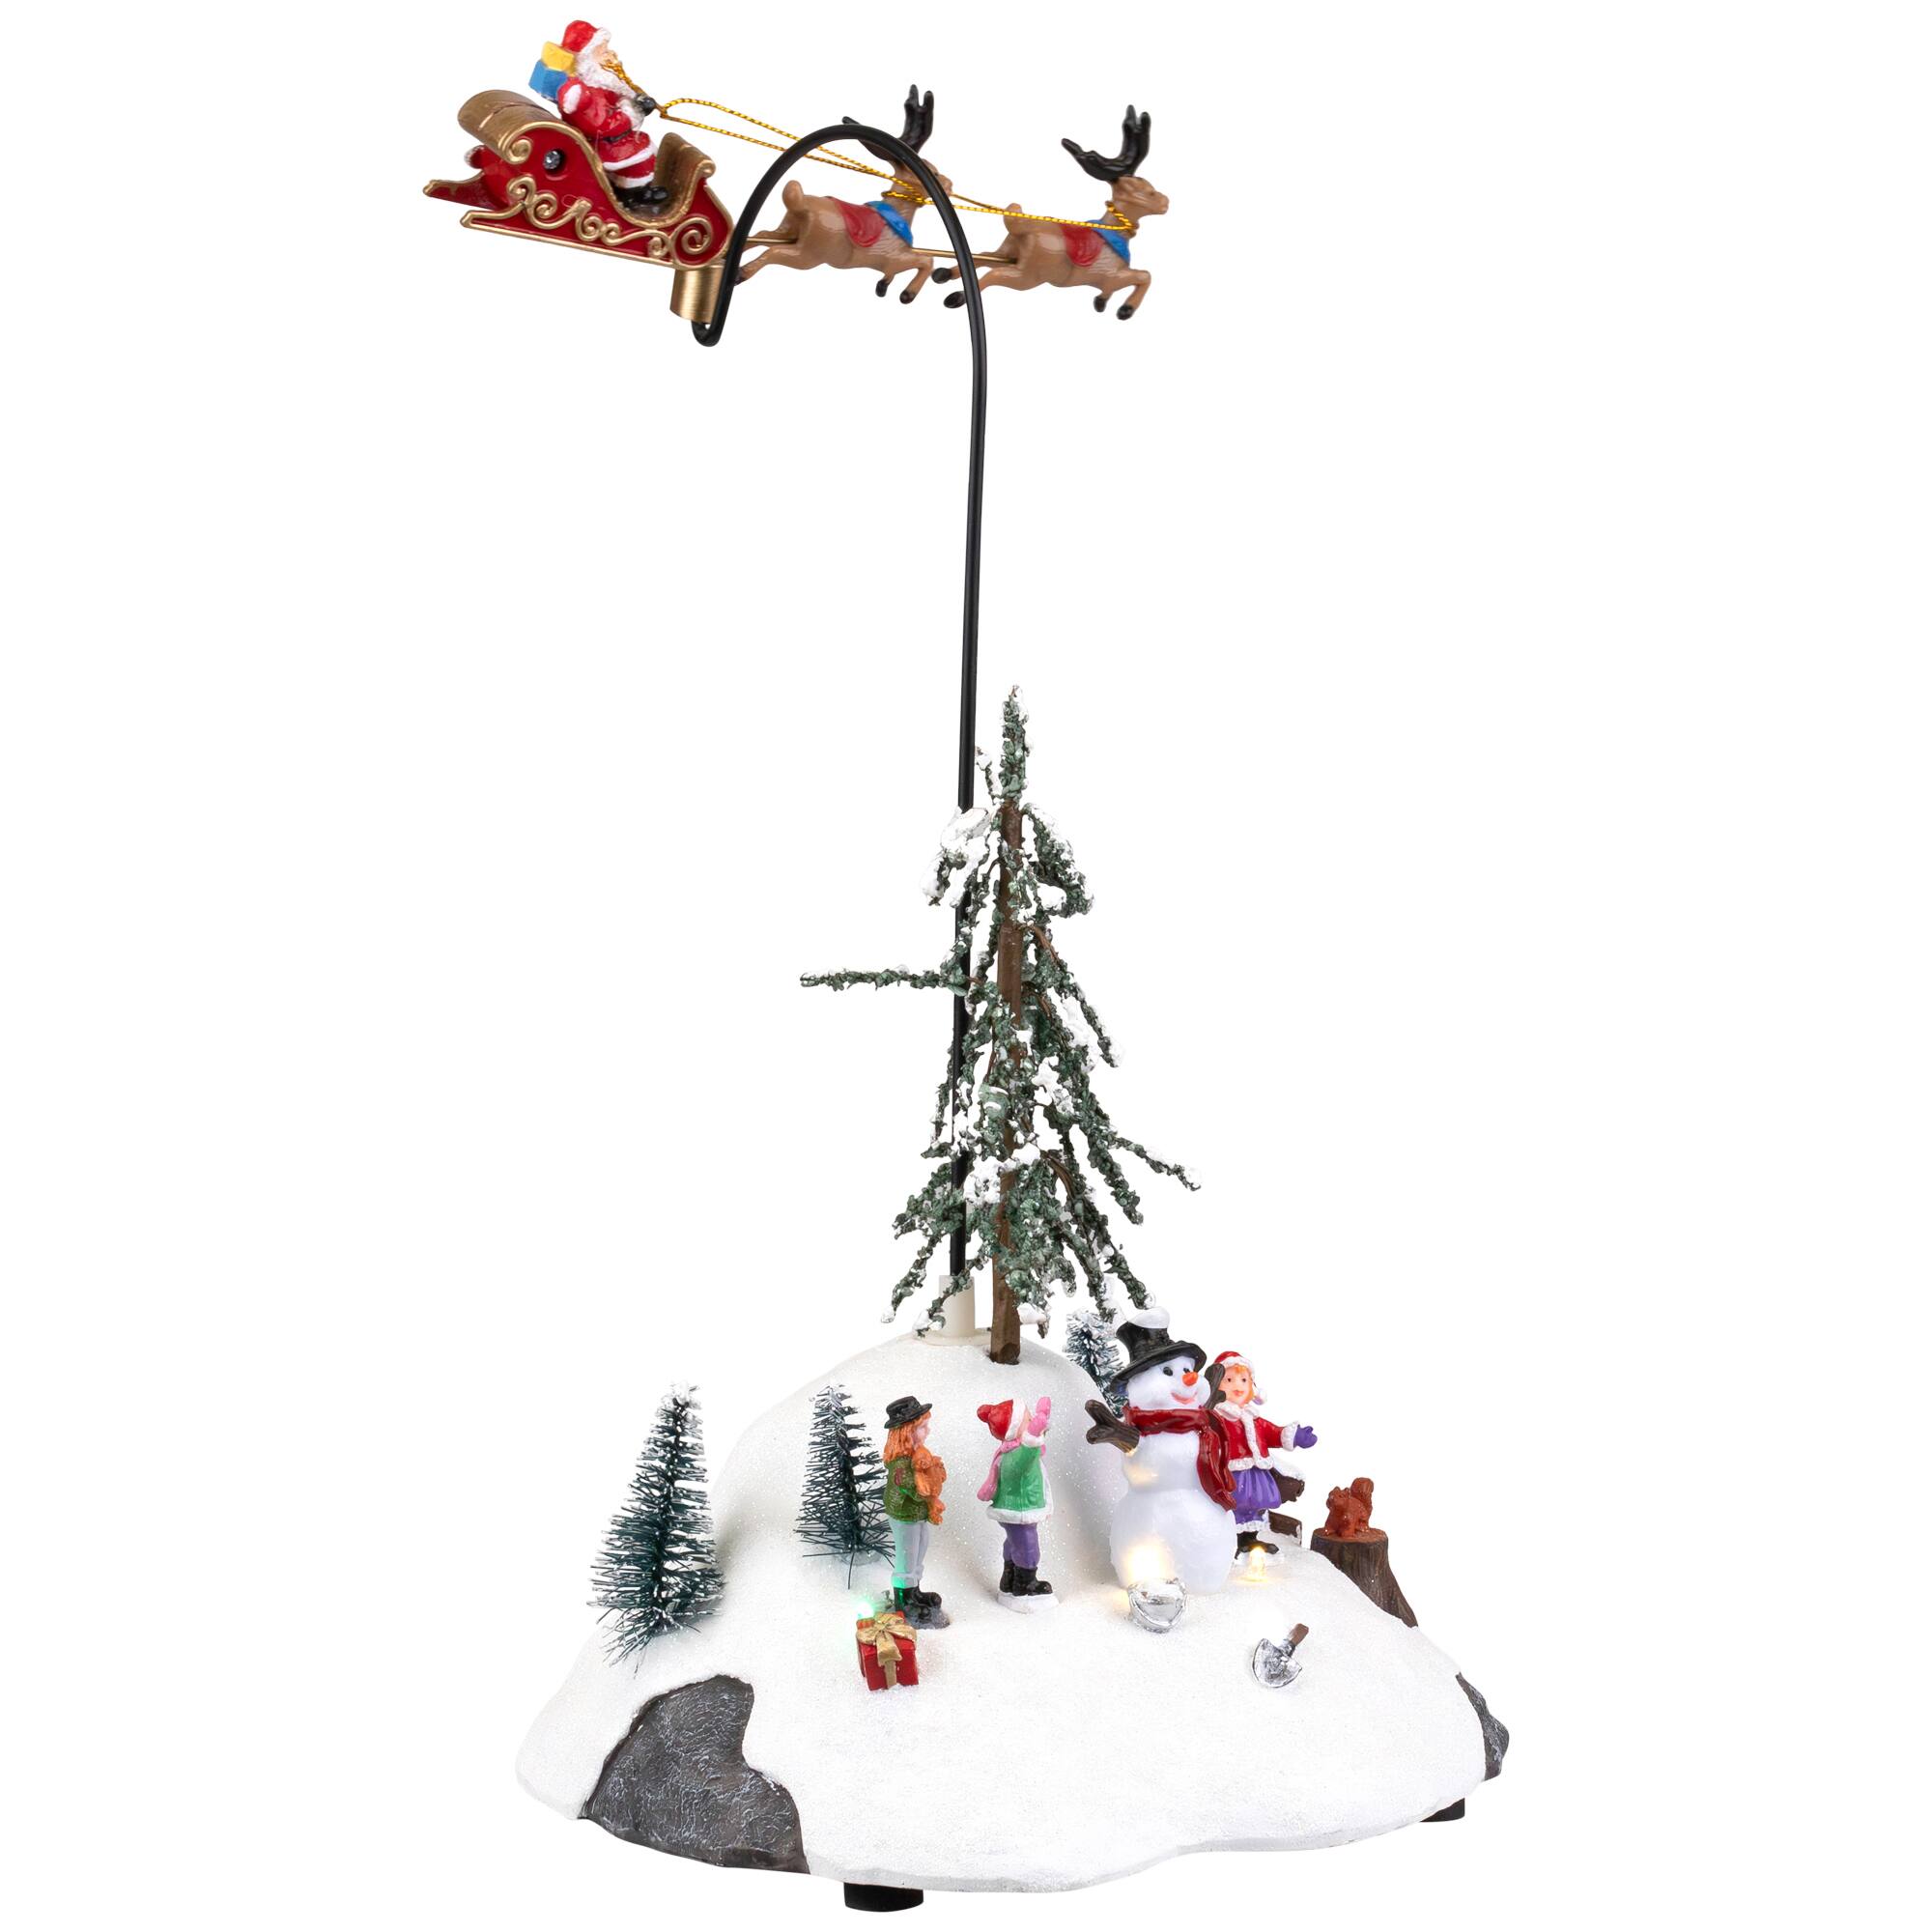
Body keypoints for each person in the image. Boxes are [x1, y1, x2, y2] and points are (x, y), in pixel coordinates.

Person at [536, 21, 667, 205]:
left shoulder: (601, 82)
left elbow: (617, 96)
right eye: (604, 51)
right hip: (603, 145)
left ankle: (622, 185)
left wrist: (635, 100)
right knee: (641, 159)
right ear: (588, 60)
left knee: (643, 152)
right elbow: (603, 125)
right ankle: (634, 195)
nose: (611, 55)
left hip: (611, 140)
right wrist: (635, 110)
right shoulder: (588, 93)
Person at [882, 1396, 949, 1627]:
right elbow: (915, 1489)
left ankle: (915, 1591)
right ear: (906, 1432)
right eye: (922, 1427)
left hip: (918, 1514)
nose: (927, 1431)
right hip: (904, 1515)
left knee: (920, 1550)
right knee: (907, 1556)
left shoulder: (918, 1455)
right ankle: (903, 1600)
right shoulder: (901, 1464)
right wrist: (931, 1482)